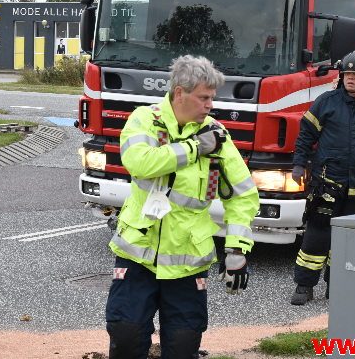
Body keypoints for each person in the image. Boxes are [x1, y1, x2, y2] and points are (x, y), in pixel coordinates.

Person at [106, 55, 259, 359]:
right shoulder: (144, 119)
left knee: (183, 345)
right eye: (204, 97)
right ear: (180, 93)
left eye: (212, 98)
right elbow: (140, 162)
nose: (210, 105)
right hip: (138, 255)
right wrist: (193, 148)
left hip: (189, 263)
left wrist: (237, 249)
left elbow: (243, 194)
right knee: (126, 335)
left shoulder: (217, 135)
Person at [290, 50, 355, 305]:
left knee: (348, 239)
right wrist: (298, 163)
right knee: (317, 235)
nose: (350, 79)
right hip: (327, 183)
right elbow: (305, 135)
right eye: (347, 74)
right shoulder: (327, 102)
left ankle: (337, 286)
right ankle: (304, 286)